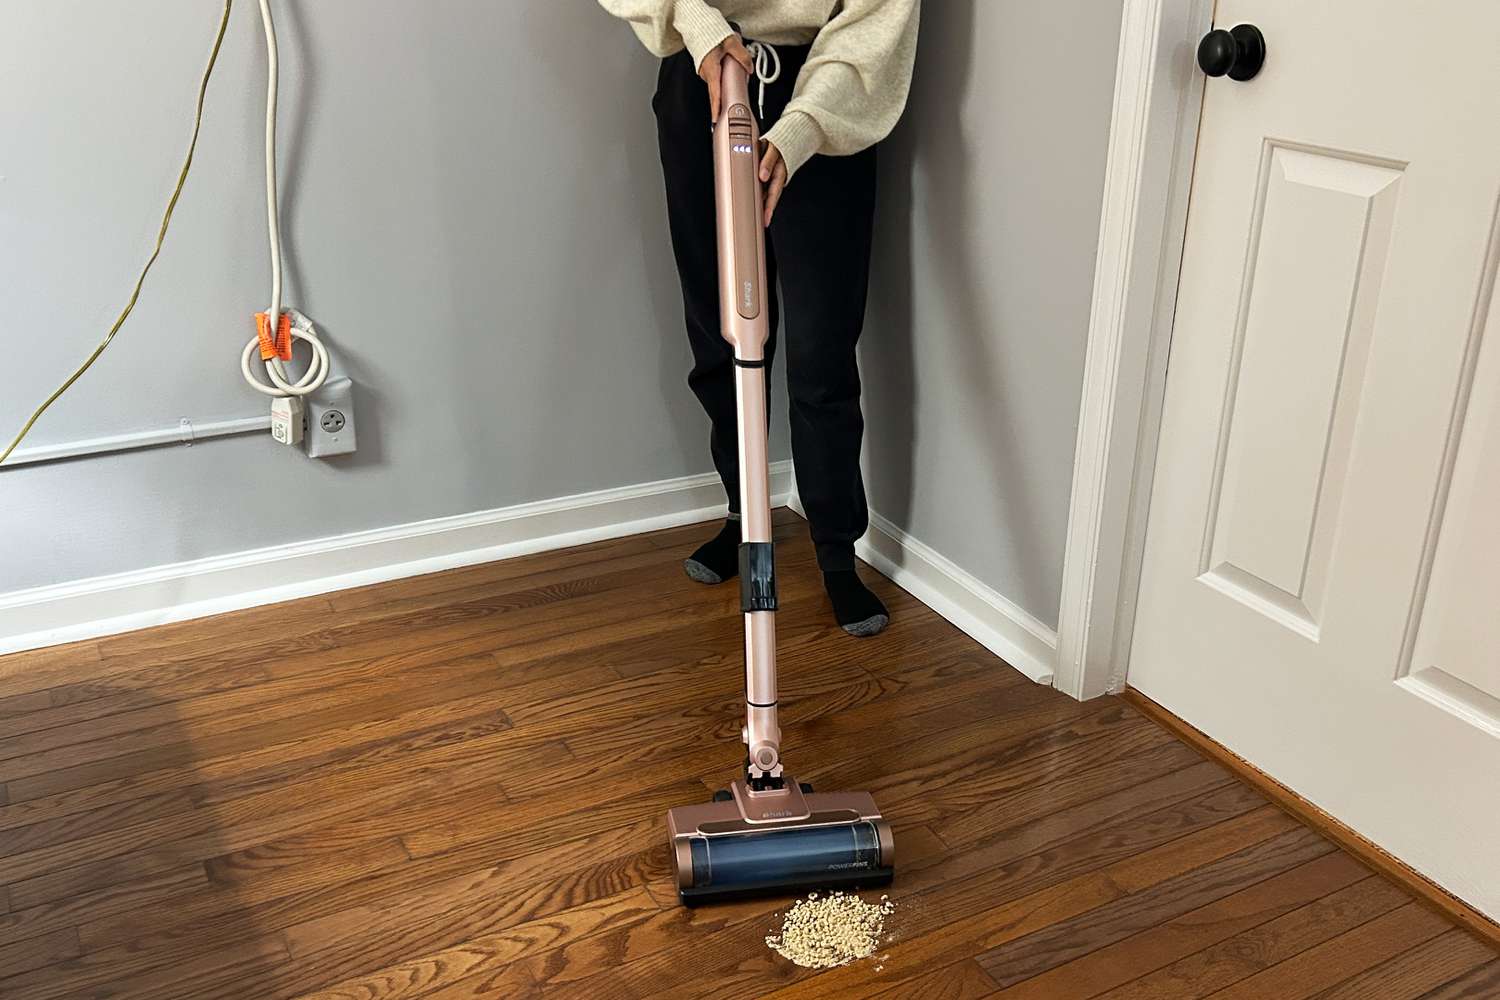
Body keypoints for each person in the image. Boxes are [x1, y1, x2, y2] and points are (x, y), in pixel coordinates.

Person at [599, 1, 920, 636]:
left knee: (821, 348)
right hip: (706, 76)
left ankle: (835, 552)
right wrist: (698, 25)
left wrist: (803, 128)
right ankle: (743, 518)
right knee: (720, 331)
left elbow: (879, 18)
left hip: (826, 97)